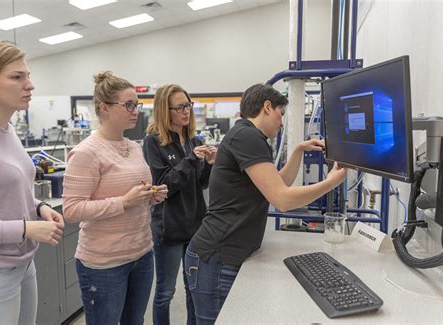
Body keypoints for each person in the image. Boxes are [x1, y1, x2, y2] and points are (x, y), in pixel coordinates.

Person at [185, 83, 347, 323]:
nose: (281, 123)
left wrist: (298, 151)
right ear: (267, 107)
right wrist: (331, 182)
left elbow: (277, 184)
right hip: (216, 256)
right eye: (281, 115)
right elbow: (281, 200)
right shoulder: (247, 136)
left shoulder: (247, 135)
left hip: (220, 255)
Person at [63, 71, 168, 325]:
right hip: (104, 263)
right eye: (129, 105)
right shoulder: (87, 152)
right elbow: (72, 210)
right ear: (104, 108)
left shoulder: (134, 146)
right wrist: (124, 202)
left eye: (137, 104)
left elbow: (135, 190)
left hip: (141, 253)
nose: (136, 110)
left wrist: (150, 196)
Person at [0, 40, 65, 324]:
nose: (30, 85)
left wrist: (39, 208)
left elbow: (5, 191)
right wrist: (24, 229)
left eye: (28, 75)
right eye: (17, 77)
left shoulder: (7, 130)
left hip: (23, 266)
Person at [143, 84, 216, 325]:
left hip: (195, 226)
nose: (187, 111)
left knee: (193, 289)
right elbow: (164, 184)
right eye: (180, 107)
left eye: (188, 105)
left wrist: (209, 164)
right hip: (170, 228)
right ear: (165, 110)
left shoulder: (193, 139)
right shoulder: (154, 142)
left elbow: (200, 184)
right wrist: (190, 160)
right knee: (165, 293)